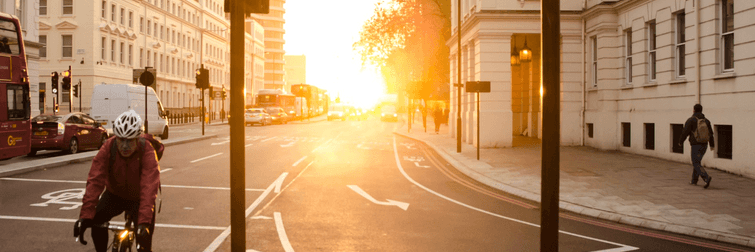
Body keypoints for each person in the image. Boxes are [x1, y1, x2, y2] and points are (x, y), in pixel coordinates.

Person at [74, 110, 161, 252]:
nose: (125, 145)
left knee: (144, 244)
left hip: (139, 198)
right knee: (97, 219)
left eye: (130, 140)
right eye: (121, 139)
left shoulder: (147, 151)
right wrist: (85, 217)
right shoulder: (109, 147)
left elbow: (149, 188)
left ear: (138, 138)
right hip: (115, 194)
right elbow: (95, 180)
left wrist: (144, 222)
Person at [678, 104, 715, 189]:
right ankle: (694, 180)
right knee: (697, 162)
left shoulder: (691, 120)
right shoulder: (706, 121)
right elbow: (711, 134)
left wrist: (680, 142)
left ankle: (706, 177)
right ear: (701, 110)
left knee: (695, 162)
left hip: (695, 145)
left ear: (694, 110)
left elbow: (685, 132)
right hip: (704, 145)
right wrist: (712, 145)